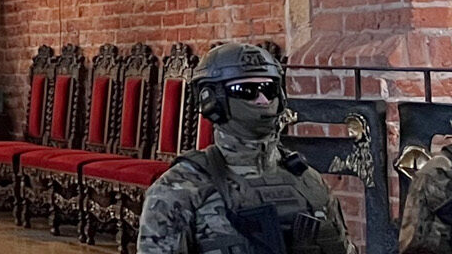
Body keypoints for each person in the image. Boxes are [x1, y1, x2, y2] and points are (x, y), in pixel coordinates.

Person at [137, 43, 351, 254]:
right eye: (245, 90)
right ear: (211, 99)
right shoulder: (179, 189)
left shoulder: (309, 181)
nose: (263, 99)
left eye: (270, 89)